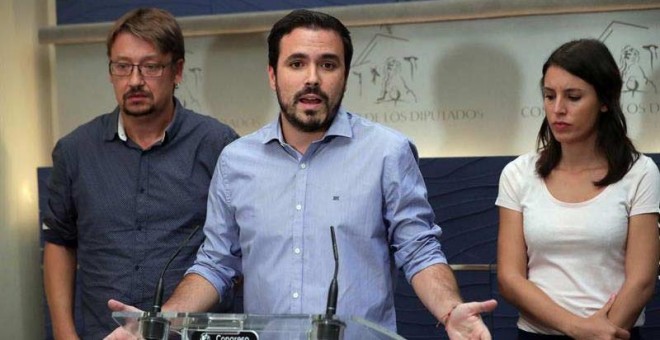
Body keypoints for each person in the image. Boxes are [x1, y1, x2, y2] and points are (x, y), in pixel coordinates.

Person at [107, 8, 497, 339]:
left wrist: (450, 311)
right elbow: (216, 264)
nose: (312, 77)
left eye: (328, 64)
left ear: (344, 75)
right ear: (273, 75)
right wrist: (158, 325)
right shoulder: (236, 161)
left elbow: (418, 249)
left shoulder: (386, 152)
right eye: (297, 63)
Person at [42, 7, 239, 340]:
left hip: (190, 334)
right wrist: (65, 334)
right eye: (122, 66)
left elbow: (236, 253)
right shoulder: (75, 151)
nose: (134, 80)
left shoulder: (218, 146)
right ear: (110, 70)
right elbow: (60, 243)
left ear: (177, 71)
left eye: (150, 67)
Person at [496, 39, 660, 339]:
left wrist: (602, 333)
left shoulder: (640, 172)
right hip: (538, 334)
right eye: (549, 96)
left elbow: (642, 280)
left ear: (604, 101)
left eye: (573, 97)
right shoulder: (518, 174)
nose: (558, 109)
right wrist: (577, 328)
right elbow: (510, 278)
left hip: (616, 333)